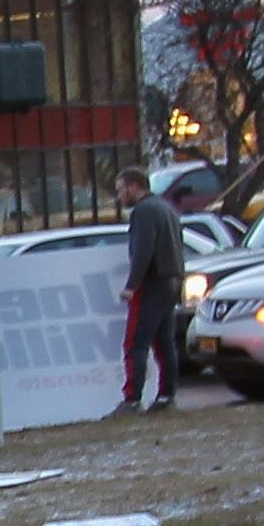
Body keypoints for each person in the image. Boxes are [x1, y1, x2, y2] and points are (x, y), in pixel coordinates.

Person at [119, 167, 191, 412]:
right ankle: (166, 395)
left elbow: (143, 251)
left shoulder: (143, 212)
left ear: (133, 186)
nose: (120, 197)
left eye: (121, 190)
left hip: (152, 284)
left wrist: (131, 286)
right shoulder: (166, 208)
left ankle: (132, 399)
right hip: (171, 281)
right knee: (164, 343)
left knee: (135, 344)